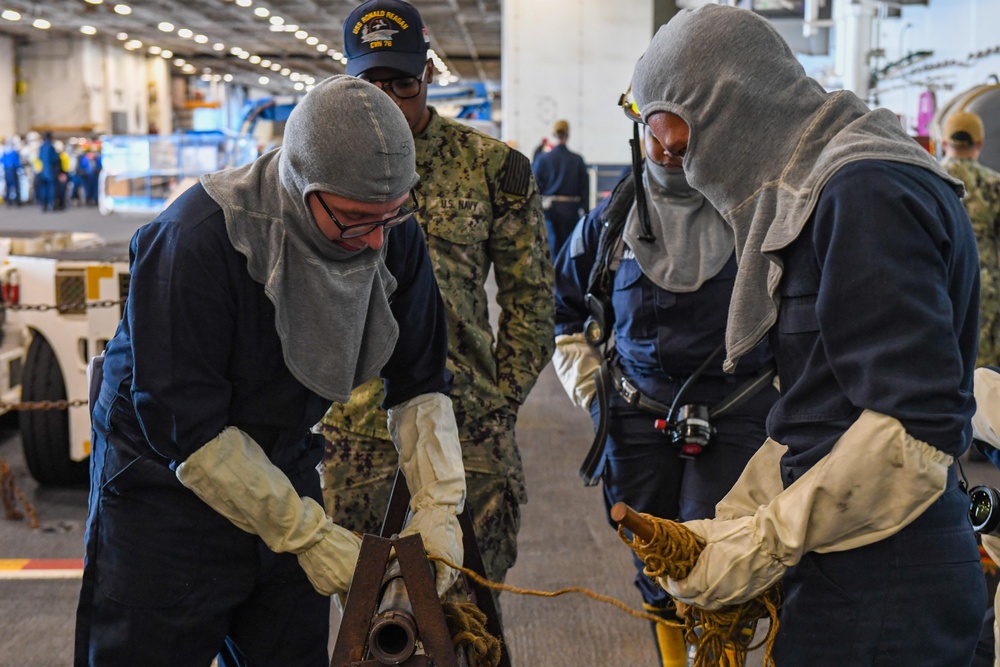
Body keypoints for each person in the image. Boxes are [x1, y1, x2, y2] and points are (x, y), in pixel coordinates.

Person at [630, 5, 985, 665]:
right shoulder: (820, 187)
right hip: (845, 556)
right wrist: (742, 512)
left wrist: (762, 542)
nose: (671, 163)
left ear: (728, 108)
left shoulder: (865, 188)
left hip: (891, 582)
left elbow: (914, 432)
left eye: (677, 144)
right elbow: (826, 404)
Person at [74, 75, 467, 667]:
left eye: (392, 215)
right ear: (303, 187)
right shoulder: (194, 242)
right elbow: (190, 430)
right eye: (358, 221)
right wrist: (308, 535)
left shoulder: (387, 230)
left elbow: (420, 383)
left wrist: (438, 507)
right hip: (163, 487)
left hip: (282, 460)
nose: (376, 242)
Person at [319, 0, 554, 615]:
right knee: (369, 622)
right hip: (357, 433)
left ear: (428, 72)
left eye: (404, 83)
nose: (392, 99)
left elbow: (532, 297)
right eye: (372, 85)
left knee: (468, 616)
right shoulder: (319, 167)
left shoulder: (492, 167)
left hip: (466, 426)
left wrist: (499, 397)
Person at [552, 118, 777, 666]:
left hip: (739, 410)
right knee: (654, 555)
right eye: (660, 138)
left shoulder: (760, 218)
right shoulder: (607, 225)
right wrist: (593, 394)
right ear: (639, 133)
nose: (673, 152)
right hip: (634, 418)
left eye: (686, 140)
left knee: (722, 559)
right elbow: (563, 314)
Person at [941, 110, 1000, 366]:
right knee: (984, 374)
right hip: (984, 290)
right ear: (979, 144)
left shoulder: (928, 180)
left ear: (944, 143)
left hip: (938, 285)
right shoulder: (994, 184)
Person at [532, 119, 590, 258]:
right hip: (571, 210)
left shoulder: (543, 159)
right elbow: (584, 188)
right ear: (568, 135)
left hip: (550, 211)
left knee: (553, 247)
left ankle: (554, 277)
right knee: (570, 248)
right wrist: (585, 210)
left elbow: (535, 187)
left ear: (553, 135)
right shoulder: (577, 160)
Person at [36, 131, 61, 212]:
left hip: (43, 171)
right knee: (52, 188)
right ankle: (52, 204)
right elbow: (55, 159)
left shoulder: (42, 147)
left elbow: (39, 158)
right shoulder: (51, 147)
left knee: (44, 188)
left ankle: (44, 204)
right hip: (51, 171)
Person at [2, 136, 21, 207]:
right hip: (12, 170)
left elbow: (2, 161)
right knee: (15, 186)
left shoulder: (5, 152)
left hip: (7, 170)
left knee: (8, 186)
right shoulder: (13, 152)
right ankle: (16, 201)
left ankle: (8, 200)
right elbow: (17, 162)